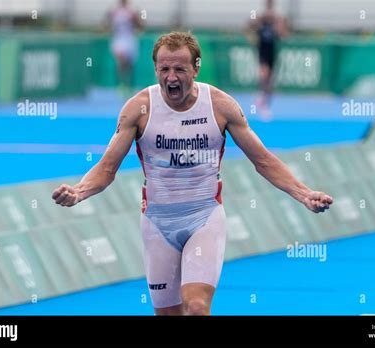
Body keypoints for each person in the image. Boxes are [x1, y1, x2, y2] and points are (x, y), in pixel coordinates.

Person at [51, 31, 333, 316]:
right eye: (164, 69)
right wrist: (78, 192)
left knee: (196, 307)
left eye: (180, 70)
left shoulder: (220, 106)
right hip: (158, 224)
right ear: (155, 69)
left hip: (204, 218)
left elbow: (263, 160)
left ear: (196, 68)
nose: (171, 78)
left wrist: (304, 194)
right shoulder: (138, 109)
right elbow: (107, 168)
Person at [247, 0, 289, 119]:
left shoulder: (276, 19)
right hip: (262, 51)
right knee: (264, 75)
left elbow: (283, 34)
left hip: (272, 52)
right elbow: (249, 26)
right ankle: (261, 98)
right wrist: (258, 22)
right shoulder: (261, 18)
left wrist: (277, 24)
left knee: (270, 80)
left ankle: (264, 102)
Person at [108, 0, 143, 93]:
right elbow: (108, 26)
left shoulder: (132, 11)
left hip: (130, 40)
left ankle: (129, 85)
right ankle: (121, 85)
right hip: (119, 40)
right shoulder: (114, 12)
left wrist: (135, 18)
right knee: (121, 62)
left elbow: (141, 26)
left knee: (129, 64)